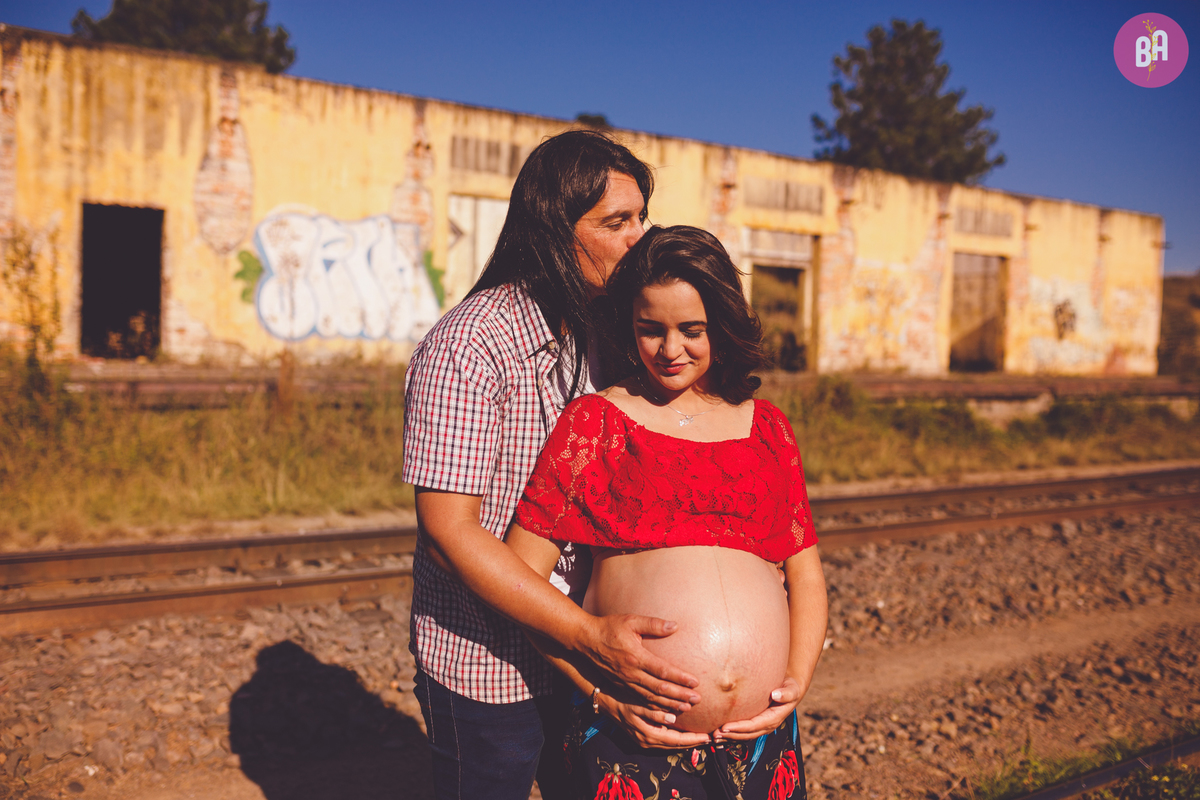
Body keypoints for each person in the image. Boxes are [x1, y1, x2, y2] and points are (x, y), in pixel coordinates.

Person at [402, 131, 703, 800]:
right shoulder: (468, 345)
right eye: (616, 222)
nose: (639, 238)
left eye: (641, 218)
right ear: (552, 230)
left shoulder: (617, 335)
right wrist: (587, 635)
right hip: (491, 664)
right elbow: (450, 532)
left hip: (597, 658)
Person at [506, 225, 829, 800]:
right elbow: (521, 580)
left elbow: (805, 575)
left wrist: (795, 686)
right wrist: (599, 695)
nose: (670, 349)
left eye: (692, 330)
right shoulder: (595, 423)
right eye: (650, 329)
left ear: (723, 326)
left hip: (761, 740)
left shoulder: (769, 427)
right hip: (633, 735)